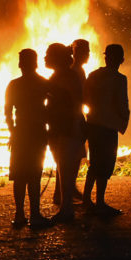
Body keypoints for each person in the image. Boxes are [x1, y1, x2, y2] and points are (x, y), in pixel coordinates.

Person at [5, 49, 51, 229]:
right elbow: (53, 105)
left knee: (20, 175)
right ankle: (34, 214)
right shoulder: (43, 83)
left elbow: (8, 112)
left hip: (21, 132)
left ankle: (20, 215)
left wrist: (13, 131)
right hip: (37, 132)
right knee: (34, 175)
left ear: (21, 64)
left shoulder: (14, 85)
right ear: (36, 63)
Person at [82, 44, 129, 216]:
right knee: (105, 164)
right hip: (108, 127)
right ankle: (99, 202)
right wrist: (123, 121)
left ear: (105, 57)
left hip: (93, 125)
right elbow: (122, 104)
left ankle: (87, 199)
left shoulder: (94, 75)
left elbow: (84, 98)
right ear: (121, 60)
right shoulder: (119, 79)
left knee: (94, 163)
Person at [45, 43, 85, 223]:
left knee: (66, 167)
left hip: (67, 127)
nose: (44, 58)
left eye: (47, 55)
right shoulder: (62, 75)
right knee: (64, 167)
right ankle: (64, 204)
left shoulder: (65, 77)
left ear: (56, 58)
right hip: (65, 127)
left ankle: (66, 208)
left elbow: (69, 104)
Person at [52, 37, 90, 205]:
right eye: (83, 51)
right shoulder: (72, 72)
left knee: (73, 158)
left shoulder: (79, 70)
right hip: (71, 119)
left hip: (75, 117)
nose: (87, 54)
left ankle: (64, 191)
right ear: (75, 53)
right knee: (69, 158)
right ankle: (64, 193)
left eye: (88, 51)